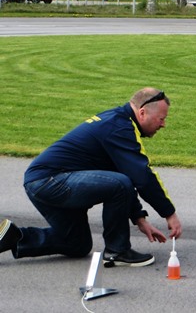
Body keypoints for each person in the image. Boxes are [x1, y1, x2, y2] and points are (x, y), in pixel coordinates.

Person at [0, 88, 182, 267]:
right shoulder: (119, 127)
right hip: (50, 181)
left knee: (76, 244)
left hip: (44, 182)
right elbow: (141, 177)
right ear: (142, 112)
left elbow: (124, 174)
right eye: (162, 118)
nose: (163, 124)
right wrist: (169, 214)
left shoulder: (117, 122)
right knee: (119, 184)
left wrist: (139, 219)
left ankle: (14, 237)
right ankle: (117, 251)